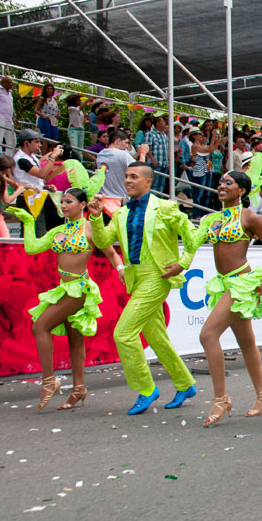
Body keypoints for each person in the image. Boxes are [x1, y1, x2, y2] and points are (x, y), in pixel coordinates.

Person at [88, 162, 200, 415]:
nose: (128, 180)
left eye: (133, 177)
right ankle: (185, 383)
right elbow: (104, 241)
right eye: (126, 176)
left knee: (123, 333)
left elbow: (193, 237)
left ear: (148, 182)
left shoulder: (166, 208)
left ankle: (146, 388)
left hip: (156, 276)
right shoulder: (120, 213)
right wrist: (95, 217)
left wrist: (182, 264)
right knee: (155, 335)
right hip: (135, 278)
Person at [6, 164, 120, 410]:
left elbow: (109, 249)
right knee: (74, 339)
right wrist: (27, 221)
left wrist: (120, 269)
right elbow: (32, 248)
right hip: (63, 287)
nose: (64, 205)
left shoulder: (89, 228)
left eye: (69, 201)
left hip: (80, 289)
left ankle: (48, 381)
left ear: (82, 205)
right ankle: (79, 388)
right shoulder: (58, 230)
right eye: (62, 201)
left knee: (40, 327)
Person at [191, 165, 262, 425]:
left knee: (208, 334)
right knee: (246, 342)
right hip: (224, 283)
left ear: (241, 190)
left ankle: (221, 399)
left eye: (228, 183)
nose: (221, 185)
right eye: (220, 182)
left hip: (242, 283)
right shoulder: (212, 219)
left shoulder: (249, 217)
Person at [13, 129, 62, 236]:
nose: (40, 145)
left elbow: (33, 178)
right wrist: (53, 157)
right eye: (36, 142)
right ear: (26, 143)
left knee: (36, 232)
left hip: (35, 198)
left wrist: (45, 186)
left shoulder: (31, 157)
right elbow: (41, 174)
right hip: (28, 199)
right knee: (34, 233)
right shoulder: (21, 159)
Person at [34, 83, 60, 153]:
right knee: (46, 138)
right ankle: (44, 155)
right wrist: (43, 116)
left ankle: (52, 154)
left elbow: (56, 111)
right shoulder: (42, 98)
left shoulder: (53, 100)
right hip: (44, 119)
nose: (50, 90)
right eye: (48, 89)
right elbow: (36, 110)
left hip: (53, 120)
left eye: (51, 89)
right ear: (45, 90)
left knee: (55, 138)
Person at [0, 76, 16, 152]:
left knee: (12, 141)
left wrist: (13, 117)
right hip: (0, 117)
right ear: (2, 83)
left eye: (11, 83)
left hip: (9, 119)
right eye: (8, 82)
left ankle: (8, 159)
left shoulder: (10, 92)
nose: (10, 84)